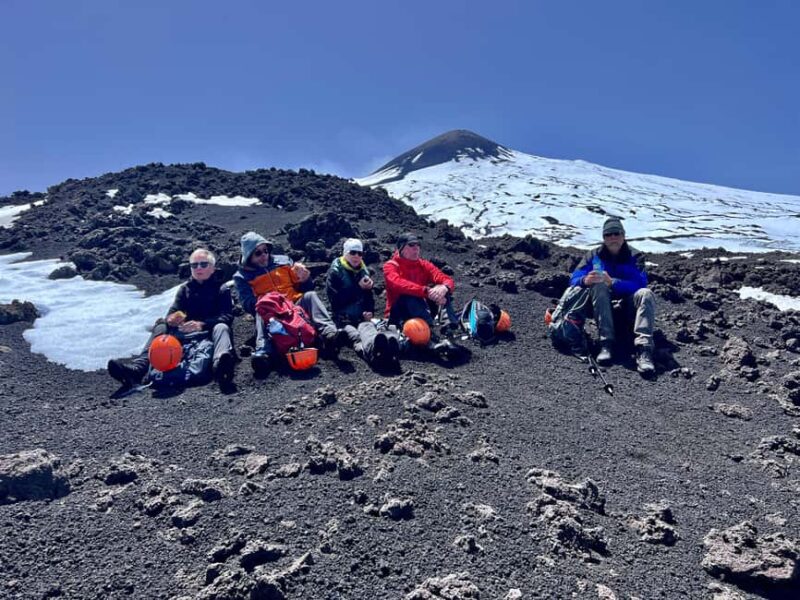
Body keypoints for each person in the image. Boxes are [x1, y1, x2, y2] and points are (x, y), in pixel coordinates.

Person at [107, 248, 235, 387]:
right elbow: (173, 312)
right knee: (161, 325)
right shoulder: (185, 289)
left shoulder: (221, 289)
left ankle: (220, 366)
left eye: (203, 264)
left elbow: (227, 316)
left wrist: (202, 324)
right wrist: (171, 319)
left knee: (222, 327)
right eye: (194, 265)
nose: (198, 268)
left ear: (213, 268)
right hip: (184, 334)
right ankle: (138, 369)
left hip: (209, 332)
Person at [233, 231, 343, 373]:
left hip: (295, 306)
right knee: (259, 311)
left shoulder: (284, 261)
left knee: (310, 296)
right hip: (271, 313)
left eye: (265, 250)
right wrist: (270, 301)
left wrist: (305, 279)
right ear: (249, 257)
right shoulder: (242, 277)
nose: (264, 255)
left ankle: (329, 334)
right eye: (258, 253)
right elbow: (248, 304)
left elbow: (305, 288)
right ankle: (264, 352)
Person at [567, 217, 656, 375]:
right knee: (598, 284)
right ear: (603, 238)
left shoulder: (635, 256)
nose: (613, 237)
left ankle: (644, 349)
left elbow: (640, 284)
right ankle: (606, 344)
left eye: (616, 233)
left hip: (627, 307)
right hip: (599, 307)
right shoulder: (594, 255)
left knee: (646, 294)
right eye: (608, 234)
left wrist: (613, 282)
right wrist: (585, 280)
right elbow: (574, 278)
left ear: (623, 235)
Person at [326, 238, 401, 368]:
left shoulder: (363, 271)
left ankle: (385, 349)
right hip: (342, 319)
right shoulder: (335, 272)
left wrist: (369, 311)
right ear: (345, 253)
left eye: (360, 253)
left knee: (368, 329)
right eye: (353, 252)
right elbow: (335, 301)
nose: (357, 256)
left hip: (360, 318)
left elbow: (368, 297)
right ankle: (373, 354)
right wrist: (357, 287)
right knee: (355, 336)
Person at [383, 232, 459, 344]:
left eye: (418, 245)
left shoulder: (423, 265)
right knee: (409, 294)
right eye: (411, 245)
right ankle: (430, 331)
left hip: (420, 309)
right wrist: (426, 291)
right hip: (397, 314)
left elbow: (445, 279)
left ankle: (449, 328)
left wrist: (444, 288)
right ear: (401, 248)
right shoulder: (391, 265)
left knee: (441, 289)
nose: (416, 248)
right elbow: (398, 284)